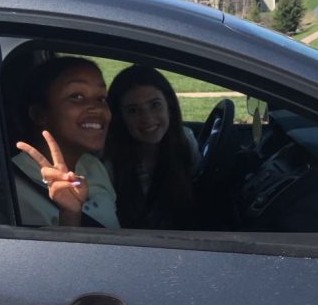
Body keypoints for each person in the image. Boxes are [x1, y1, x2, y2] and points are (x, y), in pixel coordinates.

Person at [13, 57, 119, 228]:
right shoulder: (14, 188)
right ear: (40, 114)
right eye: (77, 96)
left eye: (101, 98)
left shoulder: (92, 165)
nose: (98, 108)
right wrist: (69, 215)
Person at [105, 65, 200, 229]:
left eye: (155, 105)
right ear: (120, 118)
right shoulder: (108, 161)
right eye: (133, 110)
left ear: (169, 106)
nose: (147, 118)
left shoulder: (185, 141)